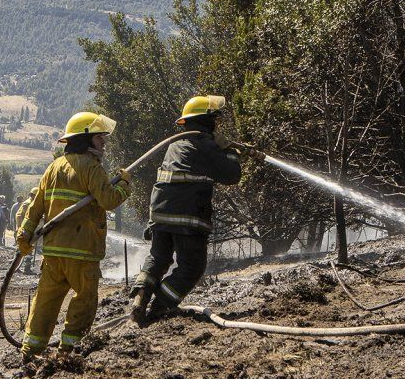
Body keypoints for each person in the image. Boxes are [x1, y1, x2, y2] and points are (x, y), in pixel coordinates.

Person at [129, 95, 259, 325]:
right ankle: (160, 307)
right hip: (187, 215)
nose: (218, 125)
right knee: (192, 266)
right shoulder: (205, 145)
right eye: (216, 120)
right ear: (206, 121)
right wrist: (230, 151)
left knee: (158, 258)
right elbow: (231, 175)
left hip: (159, 214)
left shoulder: (175, 145)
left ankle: (140, 298)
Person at [16, 111, 130, 361]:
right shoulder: (91, 166)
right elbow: (109, 200)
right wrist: (123, 184)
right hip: (82, 251)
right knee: (84, 300)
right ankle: (69, 350)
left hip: (54, 251)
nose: (104, 143)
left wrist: (24, 234)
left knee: (45, 300)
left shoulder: (54, 167)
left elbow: (35, 206)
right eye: (100, 138)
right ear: (86, 138)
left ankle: (30, 350)